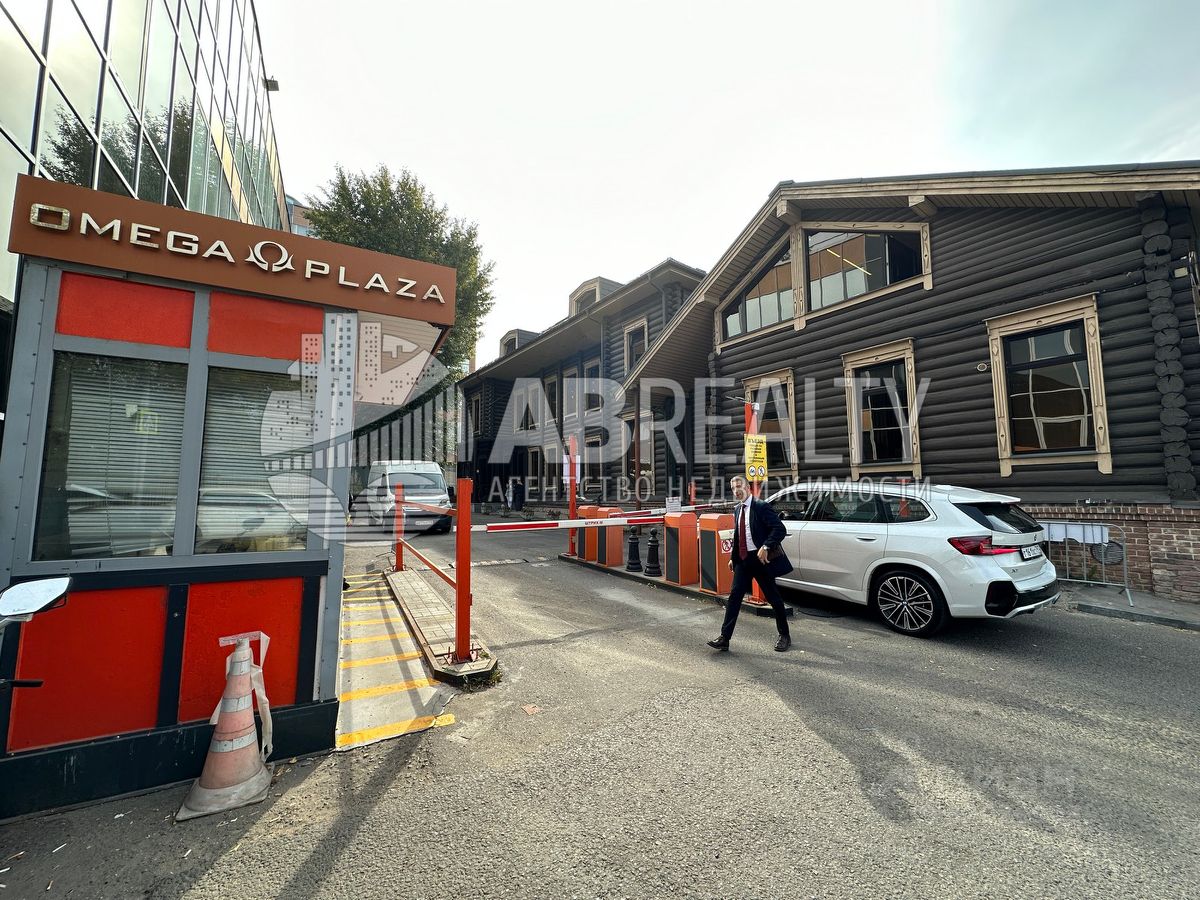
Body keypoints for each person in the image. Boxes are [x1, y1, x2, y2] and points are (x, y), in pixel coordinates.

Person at [707, 475, 793, 652]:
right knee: (734, 598)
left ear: (747, 487)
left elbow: (779, 529)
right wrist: (733, 557)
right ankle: (725, 638)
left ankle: (784, 635)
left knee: (773, 598)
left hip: (760, 560)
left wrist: (766, 546)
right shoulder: (737, 509)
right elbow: (738, 536)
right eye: (733, 488)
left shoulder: (761, 506)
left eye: (739, 486)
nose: (736, 491)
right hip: (743, 560)